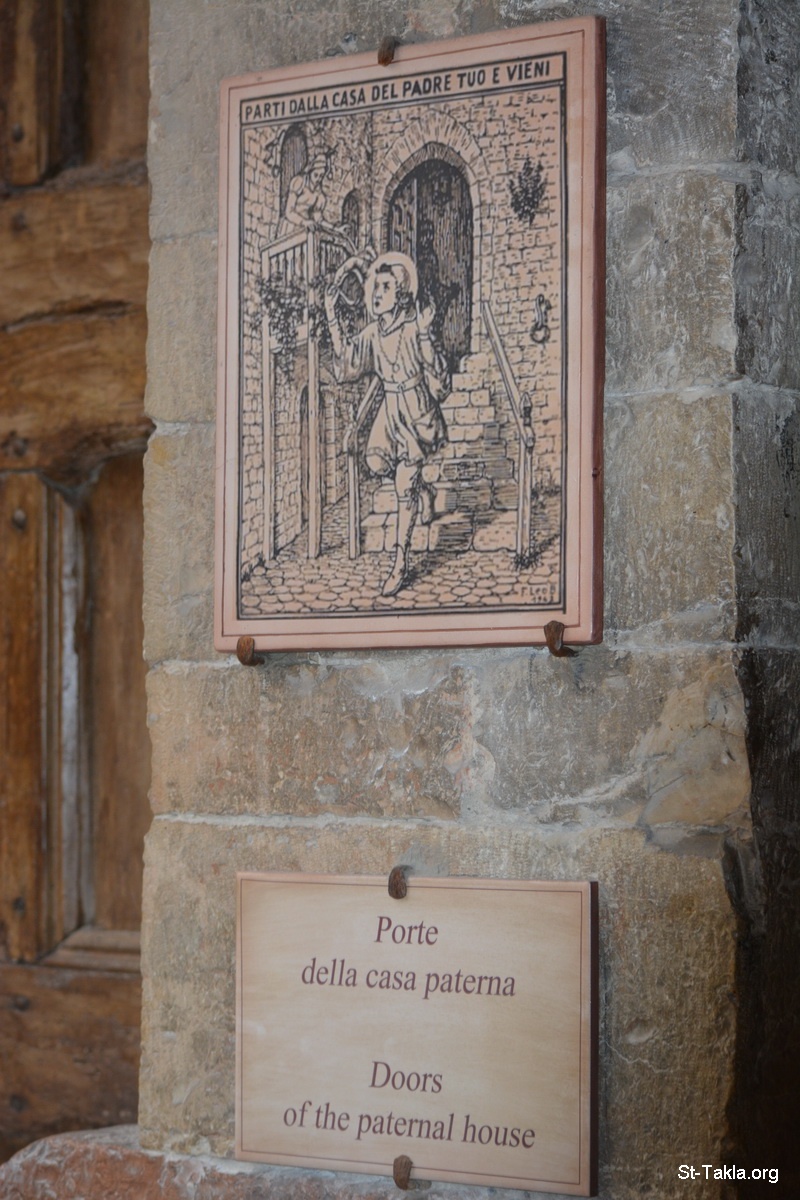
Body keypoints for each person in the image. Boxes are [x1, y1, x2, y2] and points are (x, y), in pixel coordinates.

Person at [325, 251, 449, 597]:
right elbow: (348, 365)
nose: (377, 294)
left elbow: (440, 377)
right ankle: (424, 491)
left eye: (386, 287)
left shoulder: (413, 328)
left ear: (402, 293)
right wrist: (332, 315)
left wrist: (425, 336)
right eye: (375, 287)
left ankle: (400, 561)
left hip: (416, 409)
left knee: (403, 484)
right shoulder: (372, 333)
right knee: (376, 462)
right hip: (389, 410)